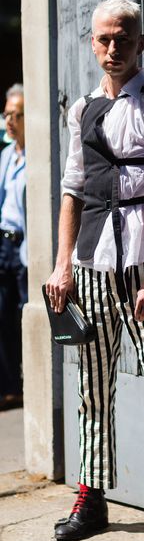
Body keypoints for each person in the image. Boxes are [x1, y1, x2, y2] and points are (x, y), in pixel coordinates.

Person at [46, 0, 144, 541]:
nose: (113, 49)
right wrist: (63, 265)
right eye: (105, 39)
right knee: (92, 391)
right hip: (90, 265)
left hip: (143, 267)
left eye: (124, 40)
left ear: (141, 45)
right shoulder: (81, 109)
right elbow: (72, 189)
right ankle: (91, 497)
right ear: (92, 43)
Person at [0, 84, 27, 411]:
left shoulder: (36, 158)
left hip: (25, 248)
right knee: (2, 316)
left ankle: (27, 382)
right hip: (3, 244)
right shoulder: (6, 155)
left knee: (23, 314)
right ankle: (10, 387)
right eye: (6, 114)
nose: (9, 121)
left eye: (15, 114)